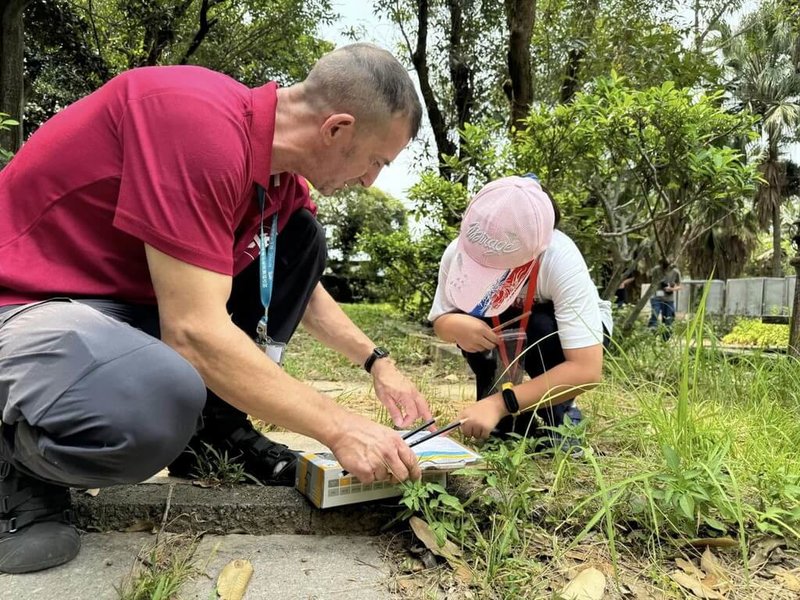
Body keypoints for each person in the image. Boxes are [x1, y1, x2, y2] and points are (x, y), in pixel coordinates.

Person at [0, 43, 432, 574]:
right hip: (25, 305)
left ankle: (214, 431)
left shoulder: (276, 183)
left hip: (115, 310)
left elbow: (306, 290)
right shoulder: (193, 120)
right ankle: (16, 462)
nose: (372, 181)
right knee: (158, 402)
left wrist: (377, 362)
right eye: (376, 161)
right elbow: (193, 332)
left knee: (300, 238)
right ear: (337, 128)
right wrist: (340, 427)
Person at [428, 175, 612, 443]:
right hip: (508, 332)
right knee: (474, 321)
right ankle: (513, 419)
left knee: (540, 327)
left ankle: (559, 416)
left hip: (564, 339)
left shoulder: (558, 258)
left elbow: (587, 369)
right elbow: (441, 320)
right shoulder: (458, 252)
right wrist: (454, 326)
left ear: (536, 250)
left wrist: (498, 404)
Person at [647, 259, 681, 340]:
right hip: (656, 297)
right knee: (655, 315)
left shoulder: (675, 272)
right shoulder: (656, 270)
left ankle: (665, 339)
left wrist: (671, 289)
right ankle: (652, 336)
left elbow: (679, 286)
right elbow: (652, 281)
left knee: (668, 320)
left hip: (668, 298)